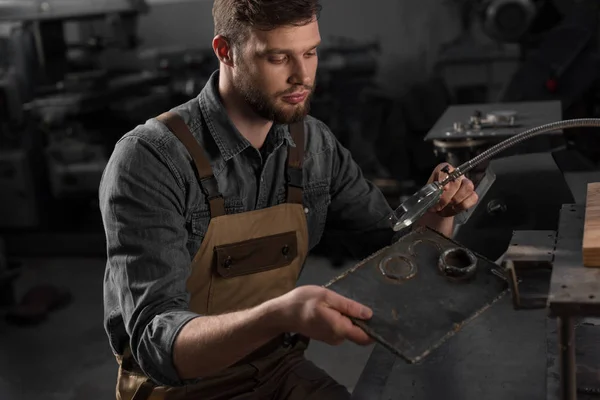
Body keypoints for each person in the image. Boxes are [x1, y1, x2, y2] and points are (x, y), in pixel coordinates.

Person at [99, 1, 479, 399]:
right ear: (225, 51)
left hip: (276, 371)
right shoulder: (152, 159)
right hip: (179, 391)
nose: (302, 76)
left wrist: (436, 219)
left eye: (310, 52)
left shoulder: (313, 145)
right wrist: (277, 315)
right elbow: (157, 347)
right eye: (279, 57)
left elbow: (392, 250)